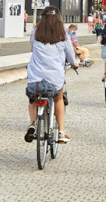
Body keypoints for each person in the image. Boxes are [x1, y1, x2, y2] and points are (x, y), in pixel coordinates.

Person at [25, 8, 78, 144]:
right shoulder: (63, 34)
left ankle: (32, 124)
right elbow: (70, 54)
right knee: (58, 98)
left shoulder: (34, 32)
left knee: (33, 99)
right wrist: (74, 64)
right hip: (55, 76)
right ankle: (61, 131)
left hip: (36, 75)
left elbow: (33, 48)